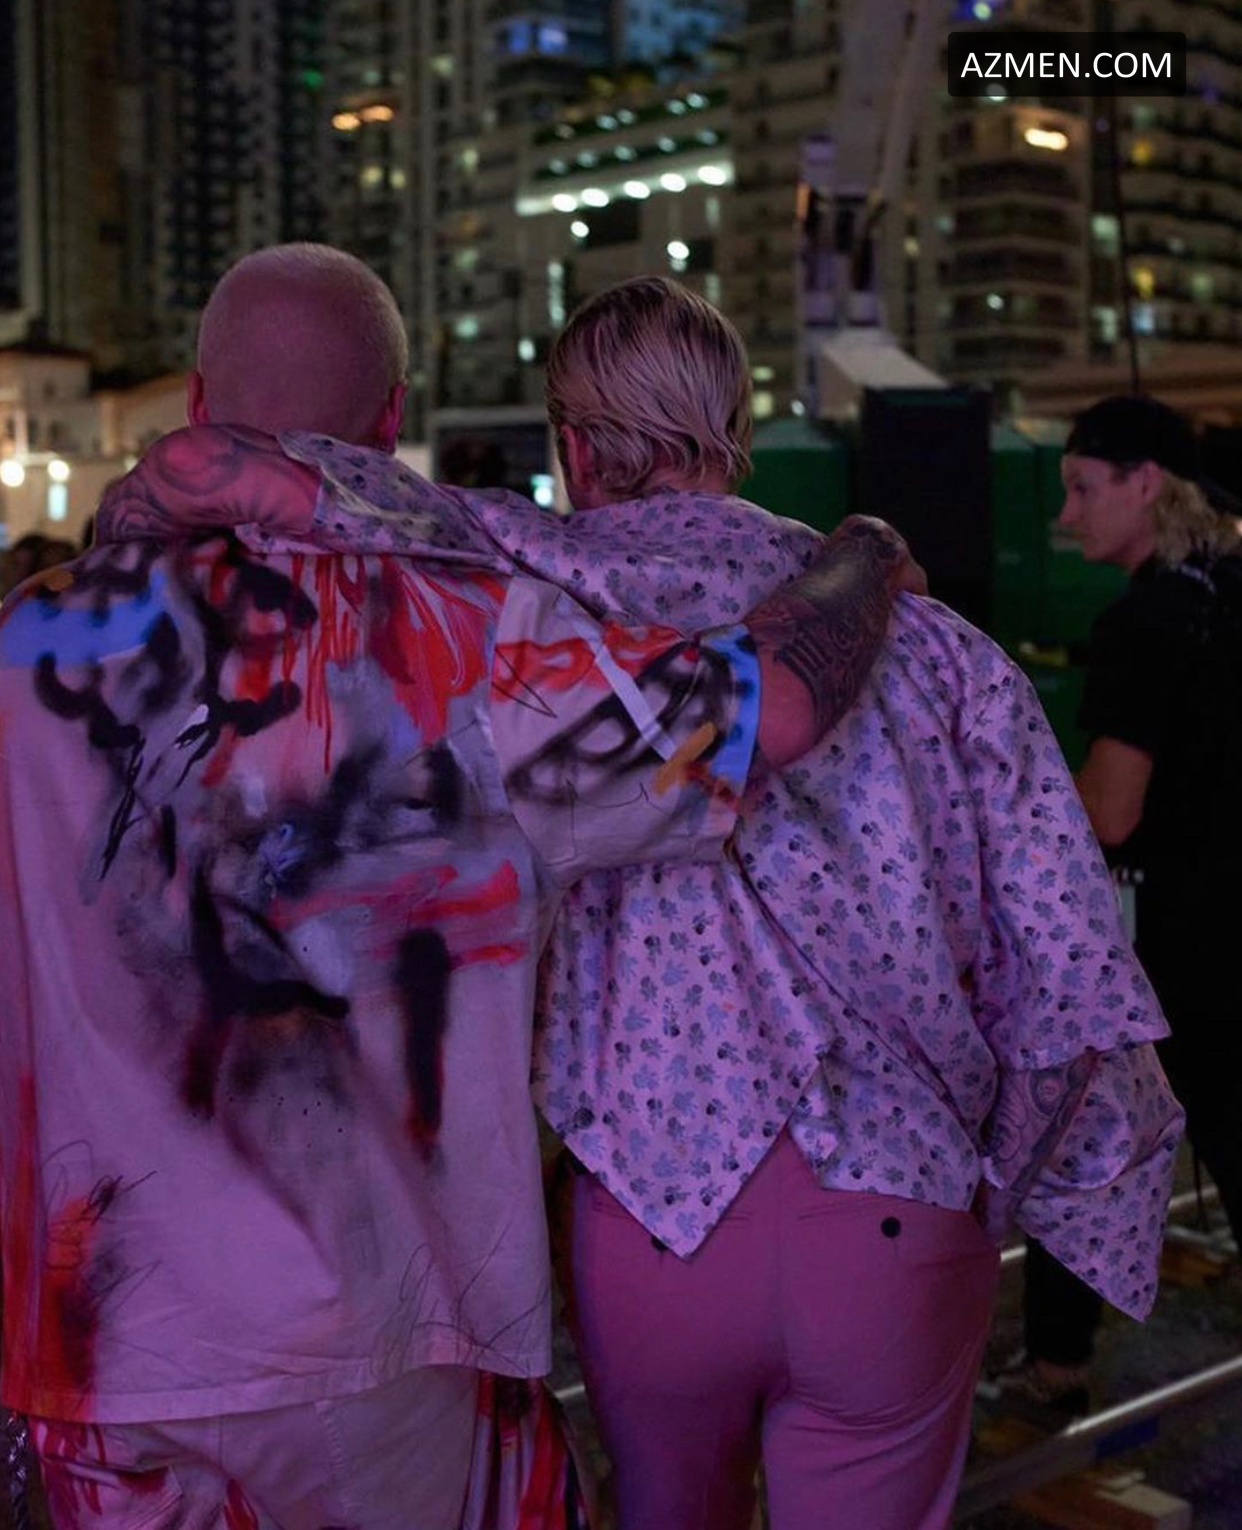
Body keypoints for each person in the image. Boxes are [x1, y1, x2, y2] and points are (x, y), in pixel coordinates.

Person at [124, 276, 1185, 1530]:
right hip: (902, 1220)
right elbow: (1071, 984)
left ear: (574, 447)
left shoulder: (523, 599)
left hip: (651, 1218)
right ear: (734, 427)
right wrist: (992, 1188)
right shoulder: (944, 650)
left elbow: (306, 490)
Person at [0, 248, 918, 1528]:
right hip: (378, 1340)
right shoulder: (473, 636)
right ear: (389, 423)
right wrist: (868, 551)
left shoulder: (26, 643)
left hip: (95, 1344)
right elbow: (770, 708)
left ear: (199, 403)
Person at [1007, 396, 1242, 1415]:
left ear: (1147, 484)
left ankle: (1055, 1364)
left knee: (1084, 1139)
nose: (1067, 516)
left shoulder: (1144, 622)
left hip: (1174, 942)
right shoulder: (1230, 591)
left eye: (1082, 488)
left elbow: (1109, 811)